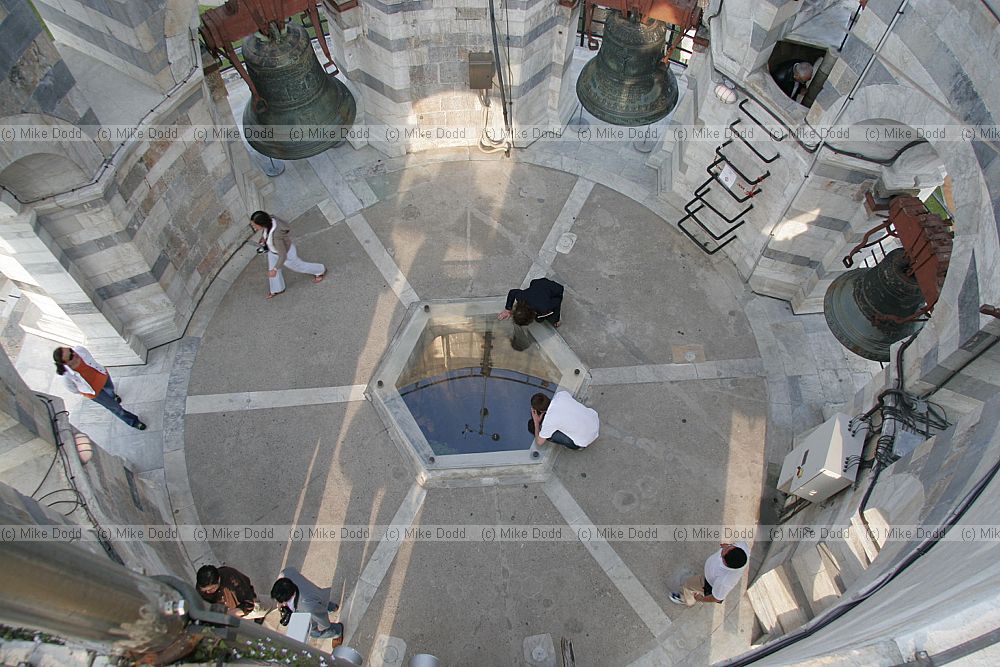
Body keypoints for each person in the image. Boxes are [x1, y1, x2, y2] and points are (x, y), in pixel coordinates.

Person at [53, 346, 146, 430]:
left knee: (110, 390)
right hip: (95, 392)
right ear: (66, 363)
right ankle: (133, 422)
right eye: (70, 356)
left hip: (103, 376)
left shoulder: (80, 350)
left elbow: (92, 361)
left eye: (71, 350)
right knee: (116, 408)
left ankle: (113, 396)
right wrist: (86, 391)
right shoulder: (66, 376)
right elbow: (73, 389)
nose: (74, 354)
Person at [250, 210, 326, 299]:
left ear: (262, 223)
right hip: (273, 252)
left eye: (255, 225)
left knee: (299, 266)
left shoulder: (276, 236)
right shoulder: (270, 220)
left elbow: (283, 256)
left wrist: (275, 269)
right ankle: (277, 289)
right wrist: (264, 238)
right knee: (272, 270)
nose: (254, 227)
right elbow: (267, 232)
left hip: (286, 254)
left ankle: (320, 270)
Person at [271, 567, 342, 640]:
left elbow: (324, 623)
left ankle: (337, 631)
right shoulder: (286, 573)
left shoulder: (307, 606)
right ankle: (332, 607)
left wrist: (321, 628)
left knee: (314, 632)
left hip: (314, 606)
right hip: (318, 596)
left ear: (291, 596)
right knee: (321, 604)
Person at [669, 542, 750, 606]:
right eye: (730, 547)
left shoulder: (724, 582)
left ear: (725, 563)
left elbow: (717, 598)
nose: (724, 548)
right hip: (711, 574)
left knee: (688, 585)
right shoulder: (742, 546)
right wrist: (728, 546)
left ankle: (688, 601)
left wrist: (700, 599)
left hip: (707, 582)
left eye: (723, 552)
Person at [528, 391, 599, 450]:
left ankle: (577, 447)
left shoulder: (549, 421)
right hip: (595, 421)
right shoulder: (561, 395)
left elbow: (539, 442)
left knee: (550, 434)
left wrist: (536, 422)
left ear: (540, 411)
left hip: (585, 440)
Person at [196, 564, 267, 623]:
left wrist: (228, 614)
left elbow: (248, 604)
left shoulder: (233, 579)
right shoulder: (201, 587)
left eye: (211, 589)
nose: (207, 592)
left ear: (218, 580)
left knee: (265, 607)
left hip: (242, 606)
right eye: (205, 591)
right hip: (221, 611)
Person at [498, 277, 564, 327]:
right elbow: (512, 292)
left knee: (540, 319)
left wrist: (556, 320)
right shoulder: (520, 297)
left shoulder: (543, 307)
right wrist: (508, 309)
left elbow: (557, 302)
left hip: (556, 288)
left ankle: (555, 321)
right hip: (539, 282)